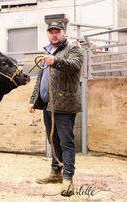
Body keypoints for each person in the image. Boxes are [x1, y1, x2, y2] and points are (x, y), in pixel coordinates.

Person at [28, 21, 83, 197]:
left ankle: (68, 179)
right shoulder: (47, 51)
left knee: (66, 142)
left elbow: (75, 66)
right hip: (47, 104)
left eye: (57, 32)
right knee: (53, 140)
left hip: (64, 103)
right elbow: (41, 78)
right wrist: (33, 99)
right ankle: (55, 173)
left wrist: (56, 61)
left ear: (64, 33)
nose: (54, 35)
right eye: (51, 32)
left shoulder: (73, 48)